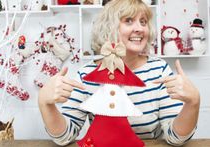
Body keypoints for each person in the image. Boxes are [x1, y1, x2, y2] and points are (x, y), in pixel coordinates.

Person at [38, 0, 200, 146]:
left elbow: (175, 137)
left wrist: (193, 103)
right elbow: (65, 136)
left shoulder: (159, 69)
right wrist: (45, 104)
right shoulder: (87, 74)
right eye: (129, 21)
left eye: (143, 22)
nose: (140, 28)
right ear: (109, 27)